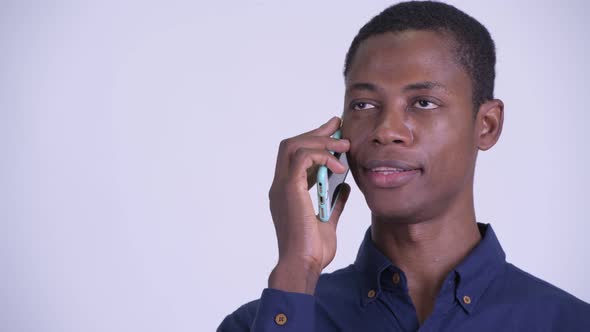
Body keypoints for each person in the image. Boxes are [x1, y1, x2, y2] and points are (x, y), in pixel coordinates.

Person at [218, 1, 590, 331]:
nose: (386, 131)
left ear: (487, 125)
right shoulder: (261, 322)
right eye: (364, 104)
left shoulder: (570, 323)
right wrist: (299, 267)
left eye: (423, 102)